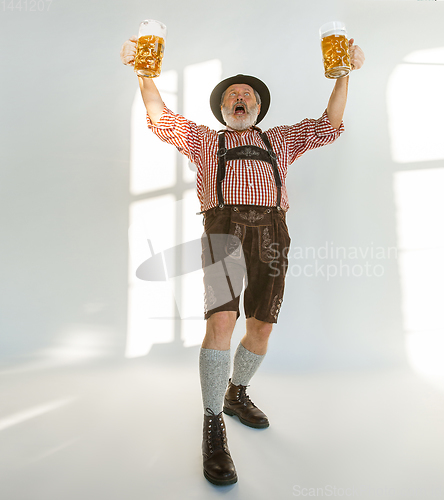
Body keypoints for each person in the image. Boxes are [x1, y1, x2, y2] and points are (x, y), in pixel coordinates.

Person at [120, 35, 365, 486]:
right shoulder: (204, 141)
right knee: (221, 322)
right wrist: (144, 71)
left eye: (247, 94)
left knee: (263, 325)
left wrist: (344, 72)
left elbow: (330, 123)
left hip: (273, 232)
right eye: (232, 95)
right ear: (222, 109)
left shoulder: (280, 140)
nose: (240, 97)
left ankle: (237, 392)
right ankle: (213, 425)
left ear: (258, 108)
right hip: (224, 232)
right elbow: (159, 116)